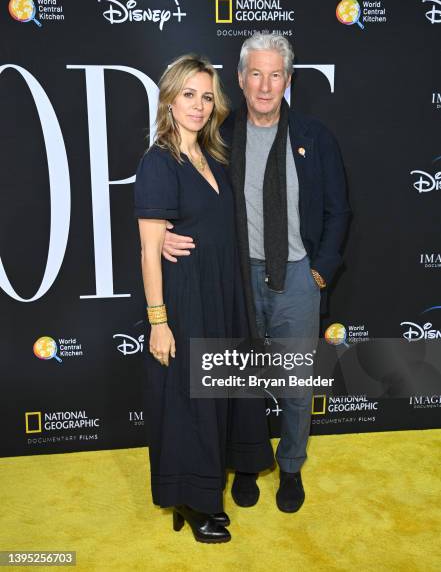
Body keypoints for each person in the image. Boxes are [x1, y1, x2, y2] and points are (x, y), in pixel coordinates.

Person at [162, 34, 351, 513]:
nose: (265, 85)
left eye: (275, 75)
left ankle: (290, 468)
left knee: (295, 386)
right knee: (237, 381)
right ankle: (245, 465)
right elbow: (181, 189)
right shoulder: (217, 137)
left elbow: (338, 210)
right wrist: (162, 233)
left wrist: (320, 273)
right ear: (241, 79)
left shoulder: (314, 137)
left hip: (297, 281)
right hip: (236, 277)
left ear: (287, 80)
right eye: (256, 74)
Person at [134, 54, 273, 543]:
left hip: (222, 292)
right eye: (188, 94)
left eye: (206, 96)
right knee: (192, 401)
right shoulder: (158, 161)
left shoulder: (214, 155)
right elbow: (150, 251)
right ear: (169, 99)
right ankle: (194, 502)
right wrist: (158, 321)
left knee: (218, 393)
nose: (197, 105)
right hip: (186, 298)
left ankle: (209, 485)